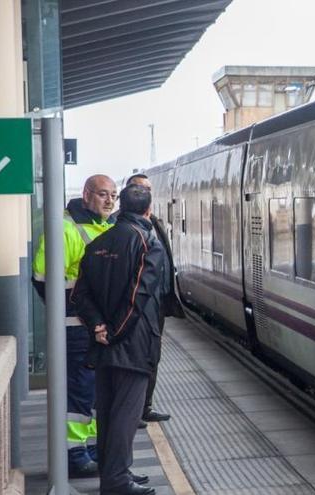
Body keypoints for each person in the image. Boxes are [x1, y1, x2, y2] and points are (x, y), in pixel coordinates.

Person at [72, 184, 162, 495]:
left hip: (103, 343)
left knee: (108, 413)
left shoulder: (98, 242)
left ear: (121, 207)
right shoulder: (148, 242)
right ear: (147, 210)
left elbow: (80, 294)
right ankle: (118, 481)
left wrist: (98, 326)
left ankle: (112, 478)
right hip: (132, 344)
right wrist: (115, 331)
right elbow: (139, 296)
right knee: (126, 415)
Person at [32, 174, 117, 476]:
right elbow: (43, 279)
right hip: (75, 326)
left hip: (97, 327)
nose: (109, 201)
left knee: (94, 390)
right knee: (79, 390)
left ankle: (90, 446)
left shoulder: (106, 228)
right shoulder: (66, 229)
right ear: (86, 194)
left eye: (113, 196)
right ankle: (73, 454)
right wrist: (72, 309)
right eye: (103, 194)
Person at [119, 173, 184, 425]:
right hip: (137, 305)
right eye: (138, 188)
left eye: (147, 189)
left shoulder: (154, 223)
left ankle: (145, 405)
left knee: (152, 356)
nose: (144, 192)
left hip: (156, 303)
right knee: (134, 359)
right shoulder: (122, 226)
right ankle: (133, 410)